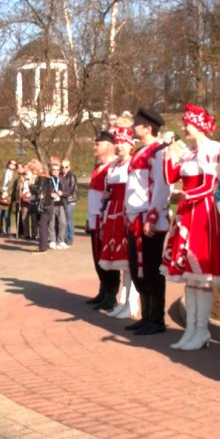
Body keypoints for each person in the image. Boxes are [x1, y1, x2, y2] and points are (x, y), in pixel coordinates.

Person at [162, 104, 220, 350]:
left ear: (198, 125)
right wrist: (169, 154)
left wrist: (186, 195)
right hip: (186, 213)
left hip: (202, 214)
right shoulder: (188, 151)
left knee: (201, 276)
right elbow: (169, 177)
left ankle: (201, 329)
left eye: (186, 124)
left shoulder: (215, 148)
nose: (183, 128)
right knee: (188, 277)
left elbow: (210, 186)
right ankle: (191, 329)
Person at [124, 107, 171, 335]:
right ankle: (146, 314)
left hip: (149, 219)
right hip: (135, 217)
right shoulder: (139, 152)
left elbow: (162, 186)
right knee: (137, 269)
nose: (134, 127)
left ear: (148, 127)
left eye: (138, 124)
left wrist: (152, 215)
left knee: (151, 268)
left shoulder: (158, 152)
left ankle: (157, 318)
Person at [97, 125, 136, 319]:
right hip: (112, 213)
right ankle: (123, 300)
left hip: (125, 213)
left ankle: (131, 303)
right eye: (117, 142)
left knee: (129, 262)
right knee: (121, 263)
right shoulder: (114, 166)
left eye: (123, 143)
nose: (119, 146)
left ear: (131, 145)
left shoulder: (133, 164)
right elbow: (107, 191)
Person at [84, 130, 121, 311]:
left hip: (105, 218)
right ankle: (103, 289)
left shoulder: (113, 167)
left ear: (108, 146)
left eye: (97, 144)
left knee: (108, 258)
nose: (94, 147)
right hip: (94, 217)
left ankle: (111, 294)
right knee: (97, 257)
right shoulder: (97, 167)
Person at [27, 160, 55, 253]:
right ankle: (42, 246)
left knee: (42, 226)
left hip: (44, 206)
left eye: (31, 170)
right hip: (48, 204)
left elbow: (38, 191)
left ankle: (43, 248)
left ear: (34, 170)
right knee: (43, 225)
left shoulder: (40, 178)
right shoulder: (47, 178)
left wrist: (31, 185)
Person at [0, 159, 17, 238]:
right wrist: (2, 192)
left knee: (7, 215)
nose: (12, 165)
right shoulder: (2, 172)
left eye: (14, 164)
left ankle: (8, 232)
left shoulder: (16, 176)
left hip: (8, 197)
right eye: (11, 163)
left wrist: (7, 194)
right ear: (8, 164)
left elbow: (14, 188)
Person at [60, 160, 77, 247]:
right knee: (63, 220)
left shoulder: (72, 176)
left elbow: (72, 189)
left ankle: (69, 239)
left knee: (68, 219)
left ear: (69, 167)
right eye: (62, 167)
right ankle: (64, 238)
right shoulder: (60, 176)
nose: (64, 169)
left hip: (70, 200)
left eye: (66, 167)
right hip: (62, 200)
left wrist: (63, 193)